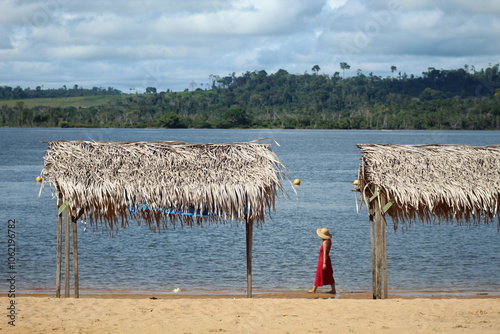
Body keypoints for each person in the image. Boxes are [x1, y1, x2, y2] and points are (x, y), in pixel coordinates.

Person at [308, 227, 336, 294]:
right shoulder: (329, 241)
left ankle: (314, 289)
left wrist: (324, 263)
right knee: (328, 274)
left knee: (319, 273)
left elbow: (325, 253)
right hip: (326, 259)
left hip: (323, 259)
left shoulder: (325, 243)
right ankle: (333, 290)